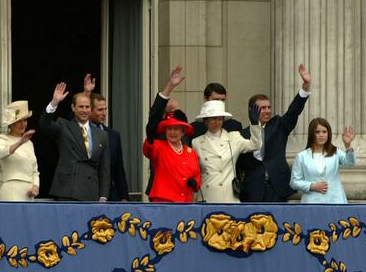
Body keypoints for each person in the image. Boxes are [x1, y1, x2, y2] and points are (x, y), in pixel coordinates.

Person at [238, 64, 312, 202]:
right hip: (253, 189)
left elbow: (293, 111)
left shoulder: (278, 125)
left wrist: (305, 86)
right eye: (263, 108)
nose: (267, 111)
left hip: (277, 187)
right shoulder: (241, 134)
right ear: (251, 110)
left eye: (269, 107)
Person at [40, 82, 110, 201]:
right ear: (73, 108)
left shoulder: (102, 134)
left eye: (87, 107)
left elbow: (105, 168)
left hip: (91, 190)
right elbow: (44, 124)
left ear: (91, 109)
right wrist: (54, 102)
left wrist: (103, 195)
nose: (84, 110)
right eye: (81, 107)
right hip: (68, 189)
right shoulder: (64, 126)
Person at [143, 67, 201, 203]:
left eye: (176, 129)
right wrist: (169, 87)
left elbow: (197, 176)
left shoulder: (190, 152)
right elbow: (152, 122)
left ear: (183, 132)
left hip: (185, 203)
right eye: (169, 129)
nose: (173, 132)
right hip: (163, 202)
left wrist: (195, 182)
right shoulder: (157, 146)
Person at [191, 100, 262, 203]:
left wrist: (255, 125)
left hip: (229, 196)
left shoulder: (233, 138)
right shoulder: (196, 142)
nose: (217, 122)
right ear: (205, 121)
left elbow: (255, 145)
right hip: (207, 195)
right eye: (213, 119)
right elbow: (195, 171)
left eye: (220, 119)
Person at [83, 74, 130, 201]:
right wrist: (87, 93)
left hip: (109, 196)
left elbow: (119, 169)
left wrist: (124, 197)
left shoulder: (114, 135)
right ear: (89, 110)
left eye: (105, 109)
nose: (104, 113)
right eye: (100, 110)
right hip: (85, 194)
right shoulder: (80, 130)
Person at [290, 118, 356, 203]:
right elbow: (294, 182)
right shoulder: (302, 156)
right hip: (312, 203)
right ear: (312, 134)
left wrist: (348, 145)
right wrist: (312, 186)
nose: (321, 135)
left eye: (324, 132)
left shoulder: (335, 152)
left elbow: (350, 163)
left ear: (328, 134)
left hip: (335, 201)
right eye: (317, 132)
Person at [0, 100, 39, 201]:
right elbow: (0, 153)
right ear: (10, 123)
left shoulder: (29, 143)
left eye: (25, 120)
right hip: (11, 190)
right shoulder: (3, 138)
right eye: (19, 121)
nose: (23, 124)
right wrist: (20, 142)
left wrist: (35, 186)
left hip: (29, 194)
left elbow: (35, 171)